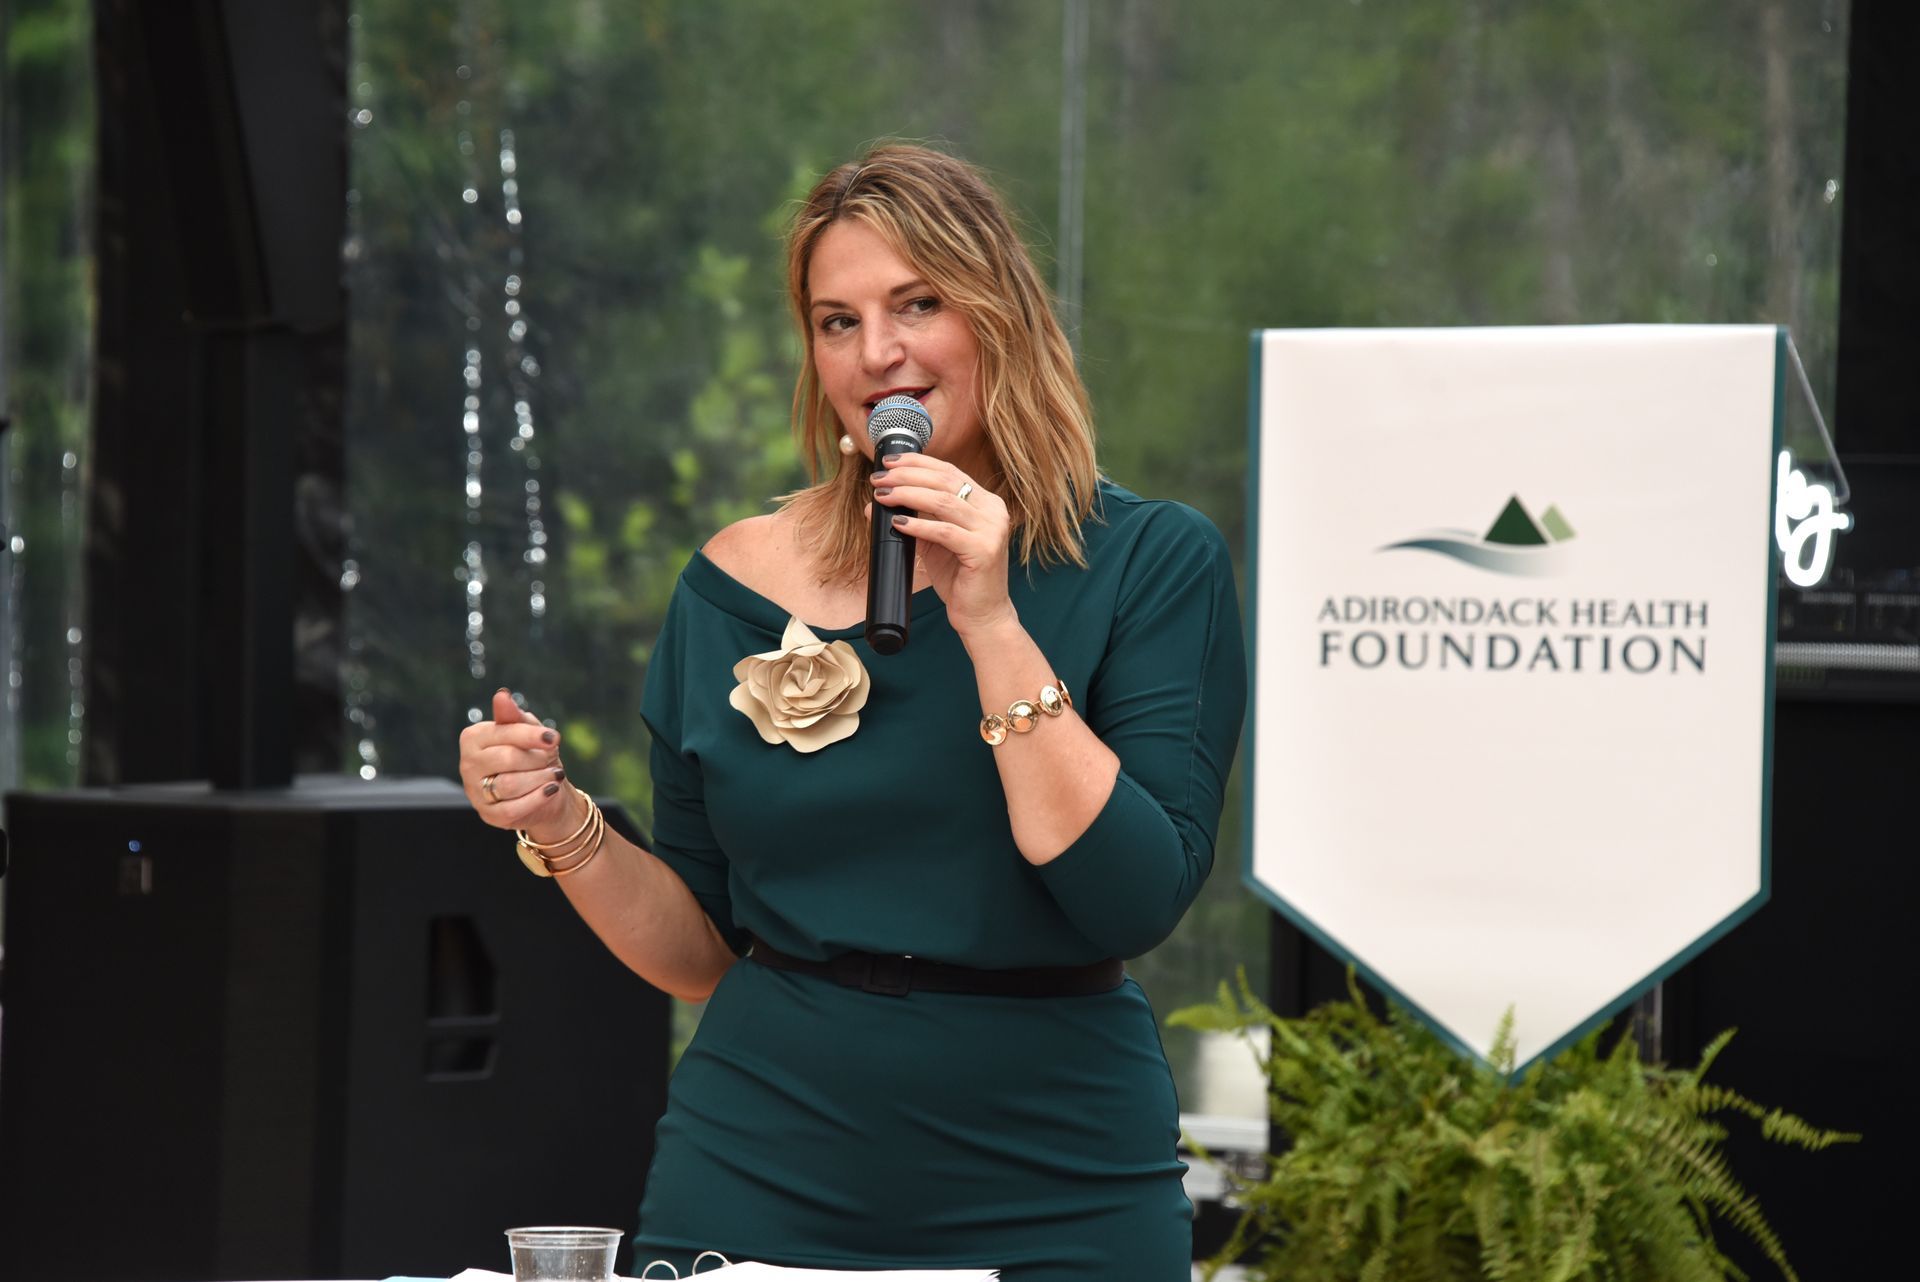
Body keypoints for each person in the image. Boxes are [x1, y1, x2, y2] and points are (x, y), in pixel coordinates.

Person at [457, 142, 1246, 1280]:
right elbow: (702, 950)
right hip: (760, 1160)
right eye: (837, 321)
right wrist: (558, 822)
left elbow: (1130, 896)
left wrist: (989, 619)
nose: (878, 354)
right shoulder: (730, 583)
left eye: (916, 304)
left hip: (1055, 1173)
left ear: (999, 315)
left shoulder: (1148, 561)